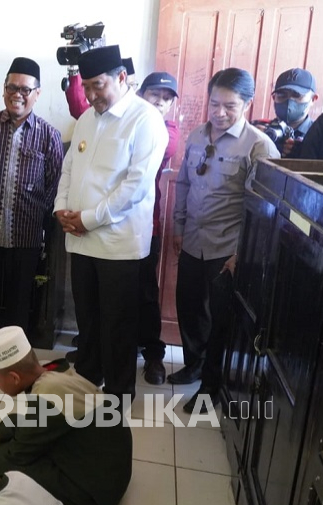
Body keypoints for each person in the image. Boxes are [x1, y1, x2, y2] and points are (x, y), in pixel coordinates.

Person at [53, 45, 168, 401]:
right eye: (85, 86)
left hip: (118, 243)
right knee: (88, 319)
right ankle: (87, 380)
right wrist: (61, 208)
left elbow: (135, 186)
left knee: (117, 323)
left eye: (98, 85)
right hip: (81, 238)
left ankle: (119, 393)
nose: (90, 95)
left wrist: (88, 218)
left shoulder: (146, 119)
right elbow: (69, 166)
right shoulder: (88, 118)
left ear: (121, 78)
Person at [169, 68, 280, 413]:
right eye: (214, 104)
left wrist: (241, 252)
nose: (219, 113)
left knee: (220, 321)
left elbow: (263, 211)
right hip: (192, 240)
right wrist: (177, 225)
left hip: (226, 250)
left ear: (247, 104)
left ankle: (211, 387)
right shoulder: (196, 137)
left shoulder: (260, 146)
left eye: (229, 106)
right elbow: (184, 185)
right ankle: (194, 364)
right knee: (189, 308)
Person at [0, 325, 132, 505]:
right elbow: (35, 421)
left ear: (14, 378)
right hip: (107, 466)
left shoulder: (48, 396)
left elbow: (17, 455)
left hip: (96, 490)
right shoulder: (56, 372)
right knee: (10, 423)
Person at [0, 57, 63, 344]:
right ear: (3, 90)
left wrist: (41, 219)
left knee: (18, 301)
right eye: (12, 87)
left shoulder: (49, 136)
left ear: (37, 94)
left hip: (26, 234)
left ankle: (13, 357)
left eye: (25, 89)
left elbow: (56, 183)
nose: (18, 94)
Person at [137, 71, 181, 384]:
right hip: (109, 225)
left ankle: (154, 356)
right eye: (155, 95)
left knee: (146, 294)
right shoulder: (121, 121)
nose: (161, 102)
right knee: (111, 294)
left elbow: (163, 149)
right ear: (141, 93)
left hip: (146, 227)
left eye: (167, 99)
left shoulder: (169, 129)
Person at [252, 68, 318, 158]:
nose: (289, 101)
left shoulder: (319, 135)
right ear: (274, 97)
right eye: (282, 95)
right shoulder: (256, 127)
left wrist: (305, 153)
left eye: (297, 95)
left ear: (313, 99)